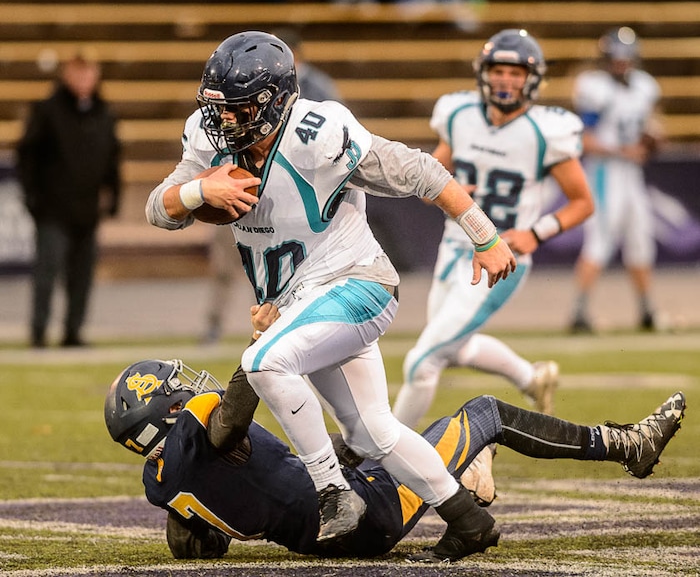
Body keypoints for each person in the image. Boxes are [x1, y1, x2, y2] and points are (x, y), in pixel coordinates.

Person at [145, 30, 517, 562]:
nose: (223, 121)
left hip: (358, 283)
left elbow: (420, 172)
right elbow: (160, 208)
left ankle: (333, 490)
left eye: (238, 109)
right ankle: (468, 518)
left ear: (275, 103)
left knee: (262, 361)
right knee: (371, 434)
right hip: (305, 302)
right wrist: (199, 190)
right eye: (218, 108)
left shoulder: (319, 133)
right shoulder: (208, 143)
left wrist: (484, 235)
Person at [104, 345, 686, 561]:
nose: (188, 388)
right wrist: (266, 347)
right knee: (487, 410)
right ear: (165, 412)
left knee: (373, 438)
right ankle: (623, 444)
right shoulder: (204, 432)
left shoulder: (161, 482)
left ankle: (466, 467)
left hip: (321, 526)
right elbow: (233, 412)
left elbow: (196, 544)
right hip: (366, 513)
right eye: (176, 388)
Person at [392, 30, 594, 439]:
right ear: (483, 74)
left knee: (423, 361)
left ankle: (381, 453)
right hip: (452, 248)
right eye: (498, 70)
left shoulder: (546, 130)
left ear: (531, 79)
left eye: (514, 72)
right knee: (456, 347)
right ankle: (532, 377)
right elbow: (432, 175)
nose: (505, 80)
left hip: (500, 259)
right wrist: (441, 192)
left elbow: (582, 202)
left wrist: (537, 233)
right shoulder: (458, 114)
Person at [201, 29, 342, 346]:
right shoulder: (239, 88)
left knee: (300, 273)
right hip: (242, 182)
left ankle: (300, 325)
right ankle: (215, 323)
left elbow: (337, 143)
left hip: (295, 194)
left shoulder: (319, 89)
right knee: (228, 263)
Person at [17, 52, 121, 348]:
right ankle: (39, 331)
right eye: (79, 74)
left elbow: (113, 157)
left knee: (82, 276)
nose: (85, 81)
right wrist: (33, 197)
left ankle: (73, 330)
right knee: (47, 272)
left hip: (87, 209)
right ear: (67, 76)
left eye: (90, 74)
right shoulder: (48, 110)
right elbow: (28, 155)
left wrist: (113, 195)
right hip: (53, 209)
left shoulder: (103, 112)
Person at [569, 27, 663, 334]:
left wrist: (651, 141)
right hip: (603, 172)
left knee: (641, 241)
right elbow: (583, 138)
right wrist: (622, 150)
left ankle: (647, 309)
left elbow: (653, 126)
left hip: (631, 174)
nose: (622, 64)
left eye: (626, 58)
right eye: (616, 58)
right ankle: (579, 311)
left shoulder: (645, 87)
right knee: (599, 241)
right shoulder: (594, 87)